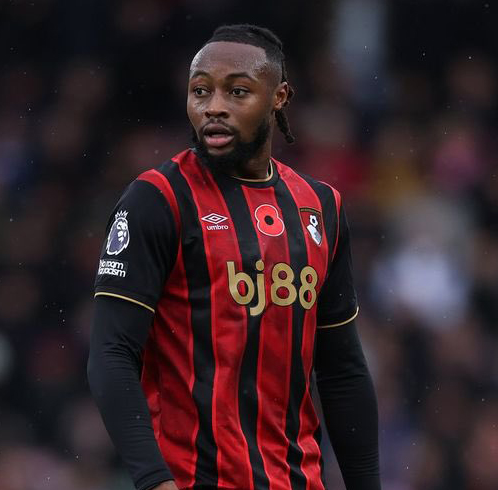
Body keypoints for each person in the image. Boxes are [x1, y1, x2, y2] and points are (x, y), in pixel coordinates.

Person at [87, 24, 380, 490]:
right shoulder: (157, 199)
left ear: (279, 97)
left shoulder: (321, 207)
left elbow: (341, 369)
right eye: (200, 91)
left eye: (237, 91)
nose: (214, 107)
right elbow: (112, 351)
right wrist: (154, 480)